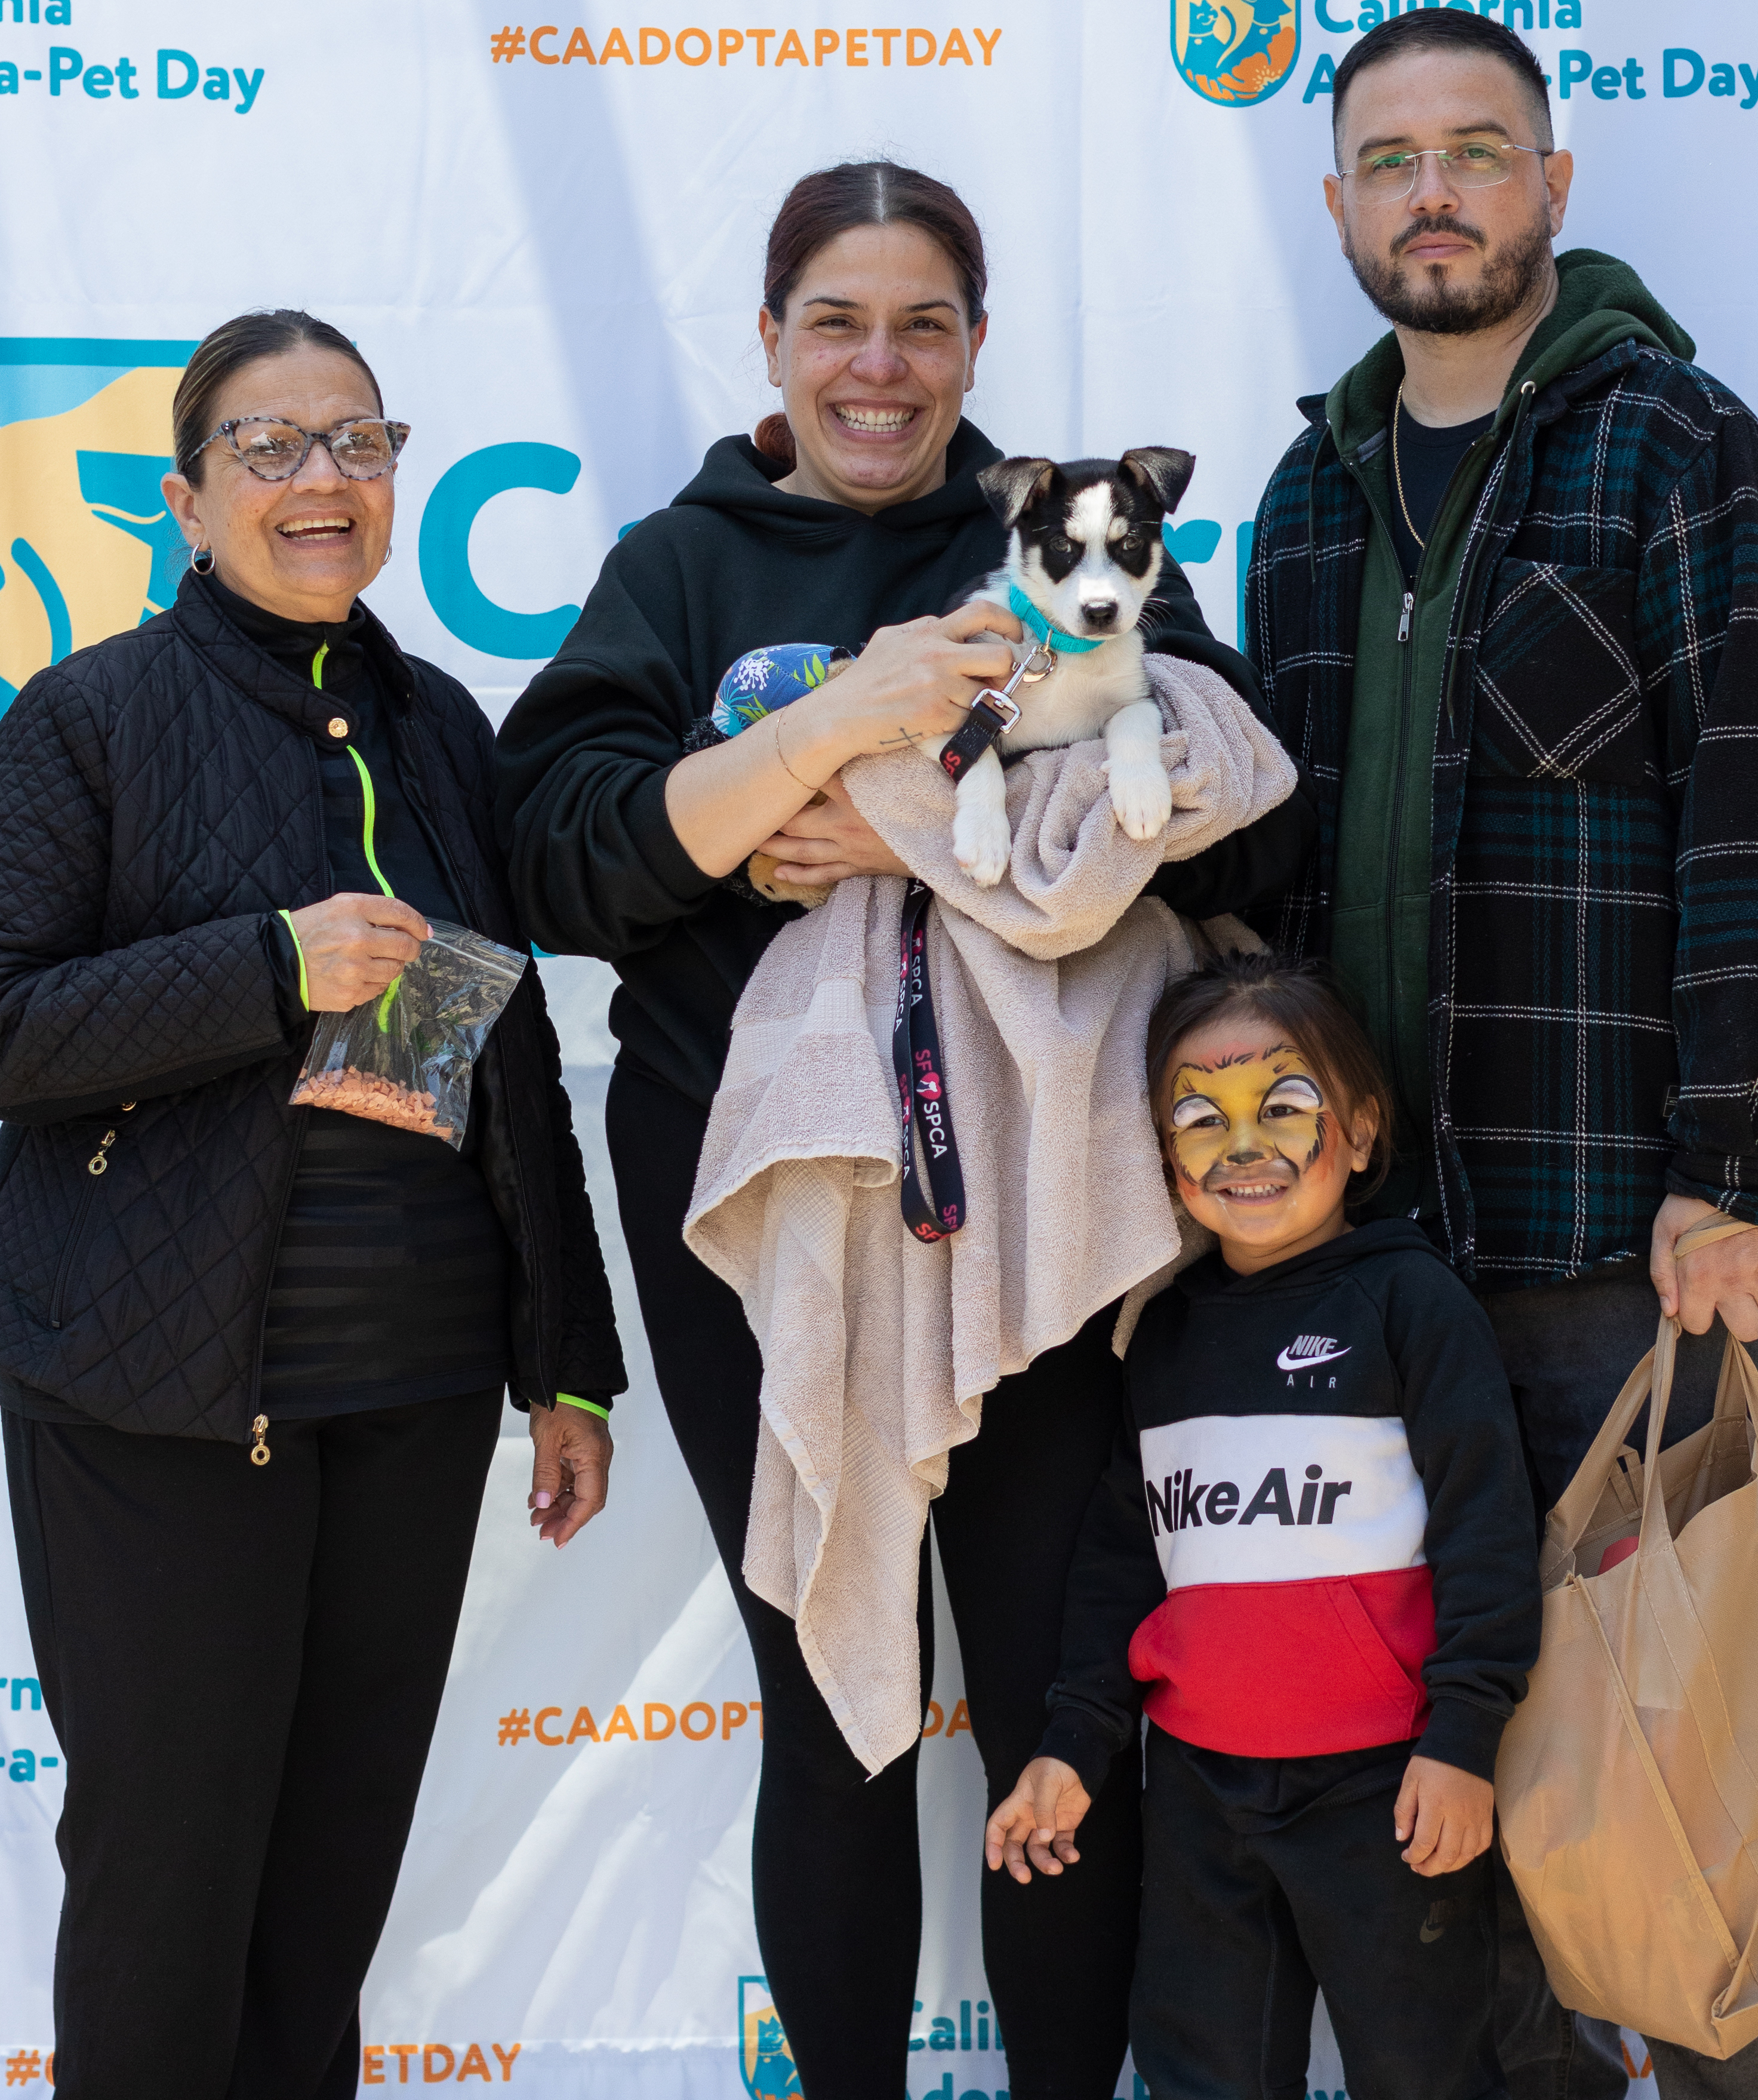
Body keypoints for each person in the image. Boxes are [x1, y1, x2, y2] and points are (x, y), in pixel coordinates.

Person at [494, 160, 1311, 2100]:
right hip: (764, 1200)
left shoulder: (1065, 541)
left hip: (1042, 1202)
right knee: (832, 1698)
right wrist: (794, 753)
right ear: (771, 341)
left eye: (925, 322)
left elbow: (1239, 803)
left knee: (1050, 1695)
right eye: (838, 322)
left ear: (977, 343)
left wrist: (907, 830)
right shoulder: (687, 568)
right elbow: (551, 849)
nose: (882, 365)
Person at [0, 309, 625, 2100]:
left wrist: (570, 1362)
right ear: (186, 496)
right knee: (169, 1889)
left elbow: (514, 1055)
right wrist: (268, 962)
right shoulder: (90, 716)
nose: (323, 480)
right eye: (272, 447)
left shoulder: (445, 725)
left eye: (357, 443)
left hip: (408, 1395)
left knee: (326, 1895)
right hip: (156, 1389)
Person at [1243, 8, 1758, 2100]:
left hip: (1621, 1257)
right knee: (1445, 1807)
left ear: (1555, 187)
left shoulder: (1679, 448)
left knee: (1679, 1803)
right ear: (1339, 205)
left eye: (1480, 151)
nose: (1436, 193)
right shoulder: (1305, 499)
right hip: (1367, 1272)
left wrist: (1747, 1172)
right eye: (1393, 158)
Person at [984, 951, 1538, 2100]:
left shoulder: (1410, 1302)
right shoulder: (1164, 1338)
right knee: (1203, 2077)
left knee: (1429, 2075)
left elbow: (1488, 1525)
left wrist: (1463, 1739)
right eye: (1199, 1118)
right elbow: (1125, 1563)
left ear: (1363, 1127)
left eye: (1284, 1107)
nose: (1243, 1147)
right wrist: (1073, 1742)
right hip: (1199, 1796)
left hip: (1388, 1787)